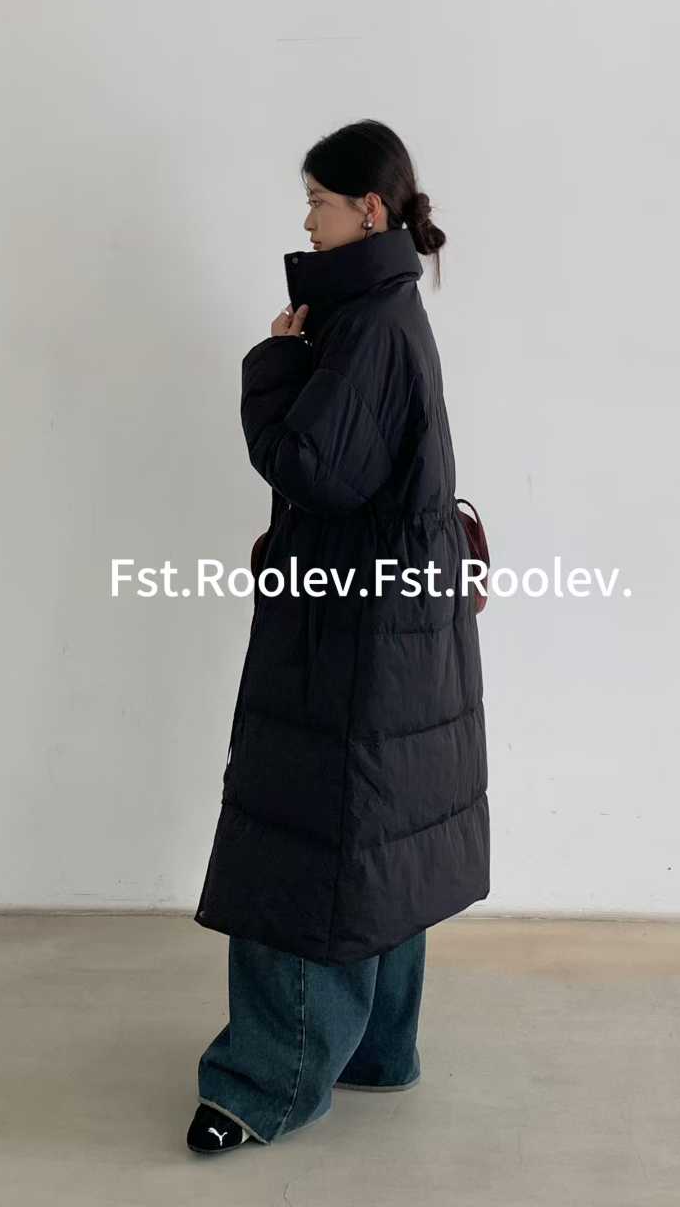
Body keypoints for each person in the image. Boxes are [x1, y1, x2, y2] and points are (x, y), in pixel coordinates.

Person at [187, 119, 490, 1154]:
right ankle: (375, 1050)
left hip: (354, 627)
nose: (306, 219)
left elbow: (316, 469)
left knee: (304, 845)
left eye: (317, 201)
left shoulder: (365, 327)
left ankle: (264, 1087)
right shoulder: (380, 312)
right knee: (376, 840)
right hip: (387, 620)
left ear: (368, 209)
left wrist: (275, 365)